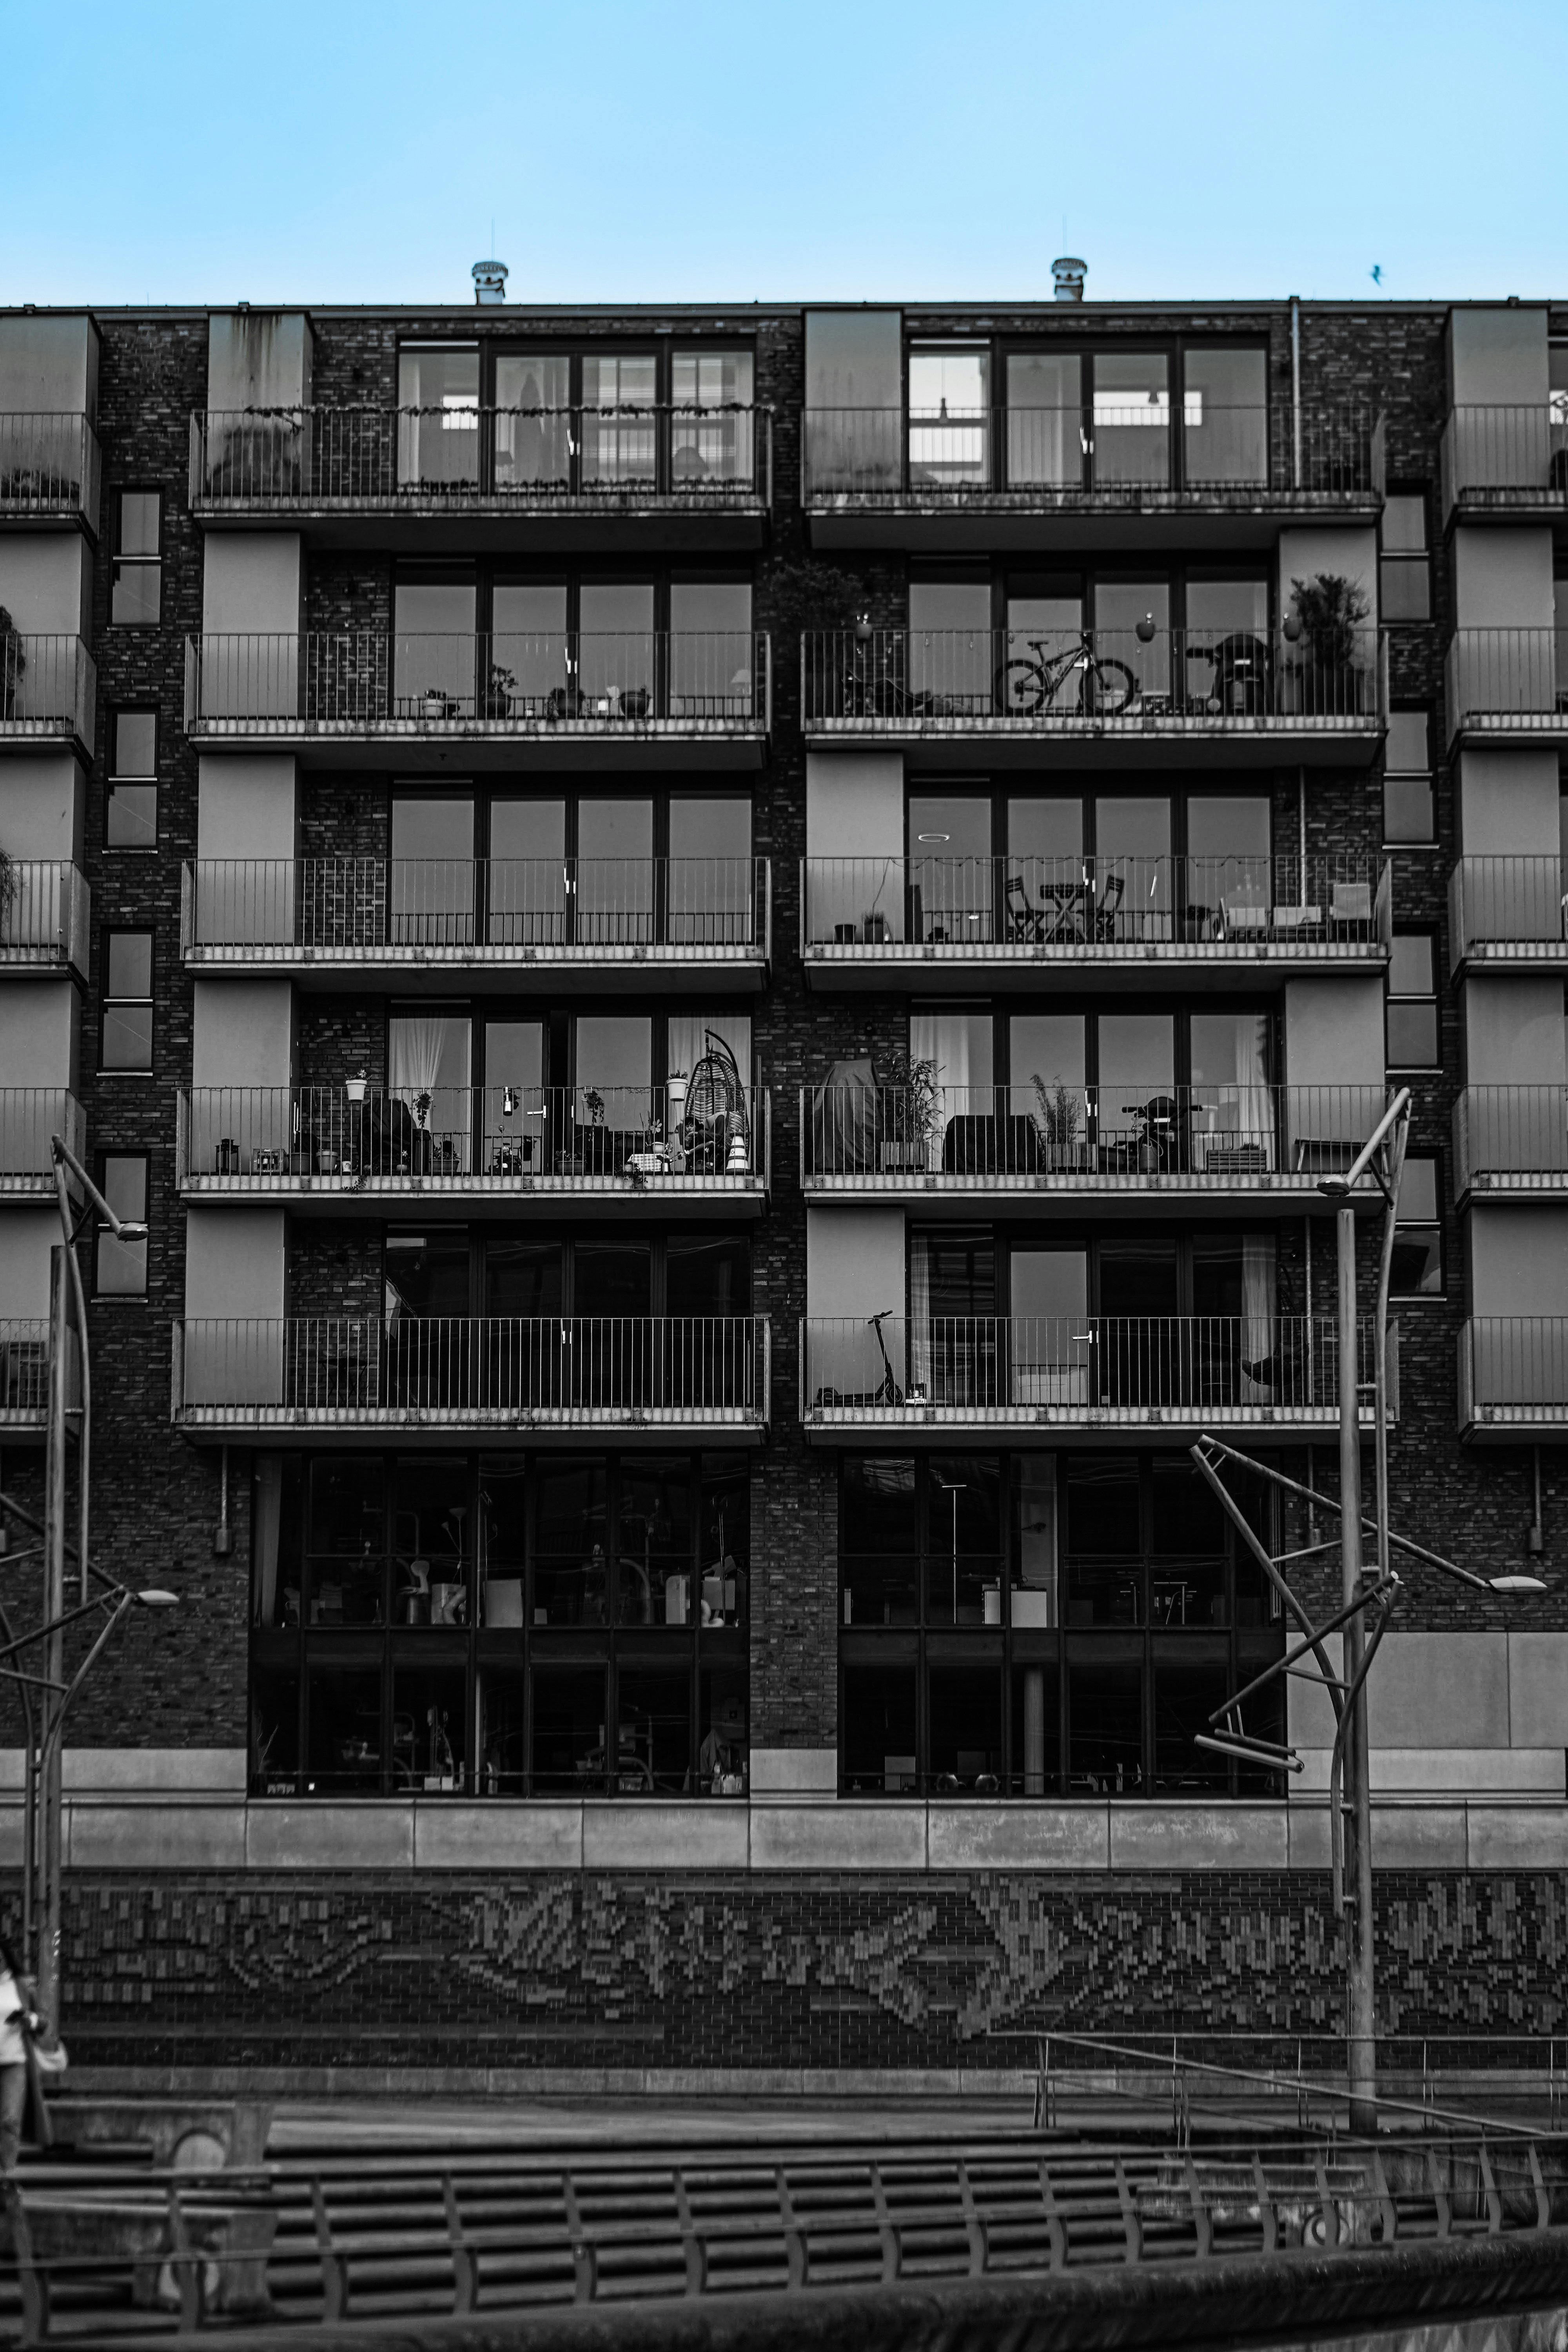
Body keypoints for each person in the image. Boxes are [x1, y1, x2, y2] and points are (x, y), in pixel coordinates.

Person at [0, 1936, 34, 2176]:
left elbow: (42, 2019)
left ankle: (6, 2175)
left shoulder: (21, 1985)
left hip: (14, 2062)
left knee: (10, 2119)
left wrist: (29, 2020)